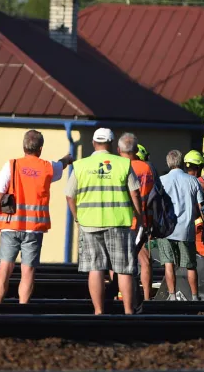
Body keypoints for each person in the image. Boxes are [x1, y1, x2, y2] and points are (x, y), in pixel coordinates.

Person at [0, 130, 72, 304]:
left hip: (10, 225)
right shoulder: (47, 167)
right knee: (28, 271)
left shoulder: (11, 165)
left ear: (24, 146)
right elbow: (61, 165)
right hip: (33, 229)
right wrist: (67, 158)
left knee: (5, 267)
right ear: (40, 148)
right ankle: (22, 308)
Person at [66, 128, 142, 314]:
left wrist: (77, 217)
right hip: (118, 223)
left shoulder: (81, 165)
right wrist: (138, 217)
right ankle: (128, 311)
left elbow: (69, 195)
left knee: (95, 269)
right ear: (113, 145)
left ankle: (99, 312)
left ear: (93, 143)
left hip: (89, 223)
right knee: (124, 268)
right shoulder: (123, 164)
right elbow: (135, 193)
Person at [158, 150, 204, 301]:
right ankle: (195, 297)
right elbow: (201, 206)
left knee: (169, 264)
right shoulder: (193, 181)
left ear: (168, 163)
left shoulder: (161, 180)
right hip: (186, 229)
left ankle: (172, 296)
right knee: (191, 265)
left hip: (166, 230)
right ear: (182, 163)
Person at [116, 133, 155, 303]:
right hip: (141, 221)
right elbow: (153, 197)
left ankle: (120, 294)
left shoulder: (117, 167)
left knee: (117, 261)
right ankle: (146, 296)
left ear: (119, 150)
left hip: (120, 220)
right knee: (144, 260)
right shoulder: (146, 169)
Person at [184, 151, 204, 261]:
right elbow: (200, 206)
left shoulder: (178, 180)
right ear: (199, 167)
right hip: (197, 227)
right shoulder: (195, 183)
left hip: (179, 228)